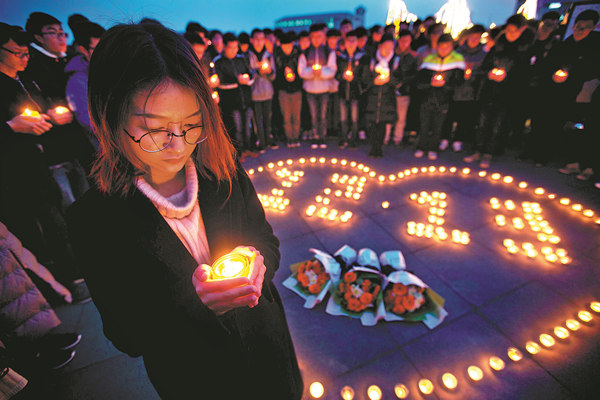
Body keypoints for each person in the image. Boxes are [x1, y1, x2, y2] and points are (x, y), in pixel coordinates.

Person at [66, 23, 303, 400]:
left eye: (191, 124)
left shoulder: (223, 171)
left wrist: (259, 263)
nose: (178, 145)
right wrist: (195, 303)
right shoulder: (94, 221)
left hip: (268, 354)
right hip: (196, 378)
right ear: (108, 119)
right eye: (153, 129)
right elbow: (126, 335)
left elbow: (266, 241)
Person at [463, 14, 534, 168]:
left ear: (522, 30)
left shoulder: (525, 51)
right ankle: (478, 150)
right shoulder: (497, 47)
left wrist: (506, 78)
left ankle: (489, 153)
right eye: (508, 30)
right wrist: (489, 74)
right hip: (489, 92)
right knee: (482, 123)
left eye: (514, 31)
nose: (510, 34)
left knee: (497, 125)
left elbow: (525, 76)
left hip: (507, 95)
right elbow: (484, 67)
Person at [413, 34, 465, 160]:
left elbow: (458, 82)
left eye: (447, 47)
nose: (443, 50)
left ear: (451, 47)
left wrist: (445, 84)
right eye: (441, 47)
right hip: (427, 98)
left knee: (438, 126)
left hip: (444, 100)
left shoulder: (457, 60)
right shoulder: (429, 59)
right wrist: (430, 83)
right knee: (424, 124)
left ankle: (433, 148)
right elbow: (419, 81)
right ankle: (421, 147)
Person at [441, 24, 487, 153]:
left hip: (471, 91)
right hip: (455, 90)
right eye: (472, 37)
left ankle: (458, 140)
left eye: (477, 37)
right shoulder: (457, 52)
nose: (474, 39)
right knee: (449, 115)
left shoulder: (483, 54)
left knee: (464, 117)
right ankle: (444, 138)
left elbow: (484, 72)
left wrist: (473, 74)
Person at [360, 33, 402, 158]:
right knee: (372, 123)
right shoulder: (372, 60)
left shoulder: (395, 62)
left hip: (387, 98)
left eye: (390, 47)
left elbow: (400, 81)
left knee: (382, 123)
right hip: (372, 98)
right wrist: (374, 81)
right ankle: (373, 147)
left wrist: (389, 79)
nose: (387, 50)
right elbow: (364, 78)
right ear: (380, 46)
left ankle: (379, 148)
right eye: (385, 47)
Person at [65, 21, 105, 149]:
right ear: (83, 50)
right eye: (98, 48)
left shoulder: (112, 68)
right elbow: (87, 119)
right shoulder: (77, 81)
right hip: (110, 146)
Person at [213, 33, 254, 154]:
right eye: (231, 47)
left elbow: (250, 74)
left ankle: (248, 146)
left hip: (245, 98)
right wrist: (238, 80)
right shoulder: (219, 61)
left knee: (247, 126)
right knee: (236, 128)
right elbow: (220, 82)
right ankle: (238, 151)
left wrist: (248, 79)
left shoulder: (241, 59)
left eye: (236, 47)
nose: (234, 50)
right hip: (231, 101)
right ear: (224, 46)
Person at [298, 24, 337, 148]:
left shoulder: (328, 52)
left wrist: (321, 73)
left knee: (323, 115)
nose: (316, 39)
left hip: (324, 88)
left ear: (323, 37)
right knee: (314, 115)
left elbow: (332, 70)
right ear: (310, 37)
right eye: (313, 37)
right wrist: (312, 73)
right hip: (310, 89)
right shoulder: (305, 53)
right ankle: (315, 136)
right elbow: (301, 71)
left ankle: (323, 137)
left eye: (319, 36)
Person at [389, 29, 418, 147]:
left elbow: (415, 74)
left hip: (404, 91)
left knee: (401, 116)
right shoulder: (393, 54)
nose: (404, 43)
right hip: (391, 89)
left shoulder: (412, 56)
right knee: (390, 113)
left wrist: (402, 82)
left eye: (407, 41)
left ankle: (397, 137)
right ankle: (386, 136)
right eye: (402, 41)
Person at [248, 28, 276, 150]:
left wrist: (269, 72)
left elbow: (274, 75)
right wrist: (257, 71)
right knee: (257, 119)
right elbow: (248, 73)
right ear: (252, 40)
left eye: (262, 39)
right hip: (255, 93)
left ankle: (269, 140)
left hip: (268, 91)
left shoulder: (269, 56)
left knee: (268, 117)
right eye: (257, 39)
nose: (259, 42)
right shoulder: (248, 56)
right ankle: (261, 141)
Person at [336, 29, 365, 148]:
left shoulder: (362, 57)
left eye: (354, 41)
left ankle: (353, 140)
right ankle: (343, 139)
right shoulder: (342, 57)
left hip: (355, 92)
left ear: (357, 42)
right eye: (349, 41)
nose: (351, 43)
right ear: (345, 42)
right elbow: (336, 74)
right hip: (343, 91)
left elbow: (365, 76)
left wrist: (354, 78)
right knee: (343, 117)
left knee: (354, 118)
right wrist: (342, 77)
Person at [274, 31, 303, 147]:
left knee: (296, 116)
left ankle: (296, 137)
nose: (287, 47)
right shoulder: (277, 56)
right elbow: (275, 73)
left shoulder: (298, 54)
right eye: (284, 45)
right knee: (286, 116)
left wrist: (295, 76)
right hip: (283, 90)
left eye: (289, 45)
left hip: (296, 89)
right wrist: (283, 74)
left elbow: (302, 71)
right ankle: (289, 138)